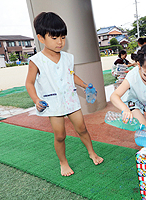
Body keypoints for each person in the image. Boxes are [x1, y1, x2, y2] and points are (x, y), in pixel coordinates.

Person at [25, 12, 103, 176]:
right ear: (41, 38)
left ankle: (92, 153)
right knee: (60, 135)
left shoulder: (68, 58)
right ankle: (63, 162)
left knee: (82, 128)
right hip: (53, 104)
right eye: (54, 38)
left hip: (71, 99)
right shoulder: (36, 61)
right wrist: (36, 99)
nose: (60, 42)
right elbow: (29, 83)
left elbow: (70, 74)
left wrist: (84, 85)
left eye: (63, 37)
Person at [110, 43, 146, 127]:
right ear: (139, 65)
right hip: (134, 101)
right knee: (143, 127)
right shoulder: (132, 76)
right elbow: (114, 96)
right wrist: (125, 109)